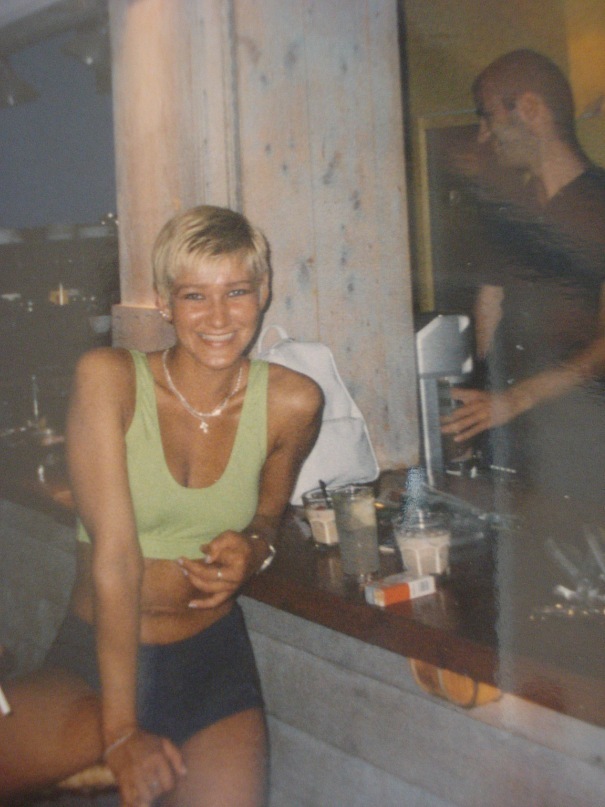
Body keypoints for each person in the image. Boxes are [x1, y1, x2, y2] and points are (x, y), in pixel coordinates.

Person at [0, 205, 323, 806]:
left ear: (264, 292)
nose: (219, 317)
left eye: (237, 291)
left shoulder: (294, 402)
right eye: (195, 295)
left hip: (211, 667)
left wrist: (254, 548)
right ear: (165, 303)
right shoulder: (109, 379)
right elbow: (116, 558)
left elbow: (268, 519)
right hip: (94, 662)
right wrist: (121, 731)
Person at [441, 49, 605, 509]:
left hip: (584, 440)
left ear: (530, 109)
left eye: (487, 115)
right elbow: (488, 312)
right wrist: (472, 412)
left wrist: (515, 400)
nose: (483, 134)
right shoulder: (507, 212)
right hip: (511, 439)